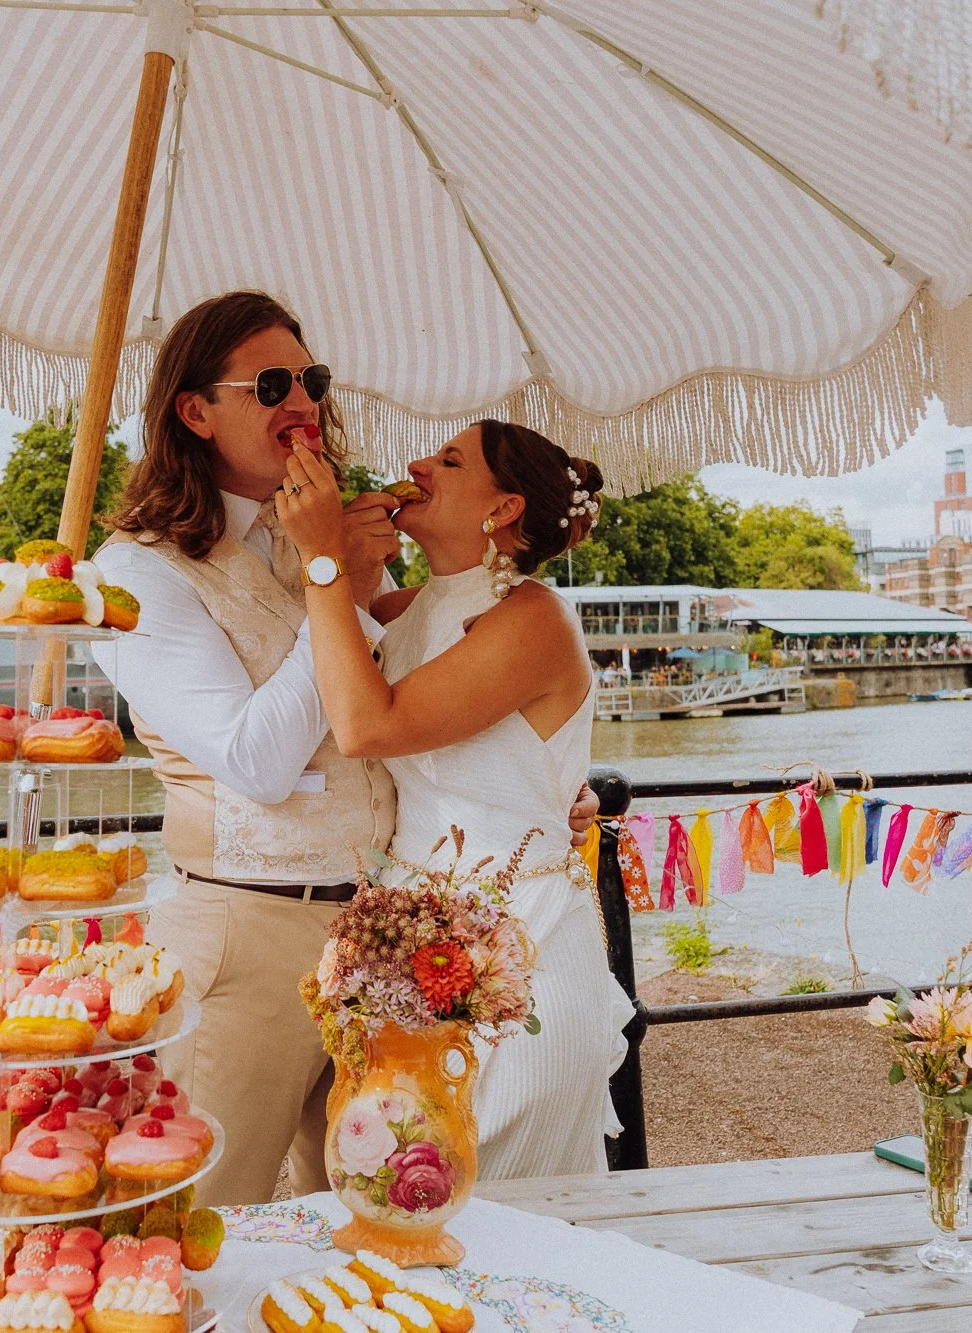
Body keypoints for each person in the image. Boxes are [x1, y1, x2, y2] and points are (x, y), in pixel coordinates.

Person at [92, 291, 595, 1203]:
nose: (305, 403)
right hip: (247, 936)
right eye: (272, 384)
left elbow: (433, 693)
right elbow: (255, 760)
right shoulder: (139, 571)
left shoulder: (335, 536)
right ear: (196, 411)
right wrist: (344, 582)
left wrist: (541, 788)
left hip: (389, 944)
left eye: (310, 380)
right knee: (211, 1215)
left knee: (383, 1220)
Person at [275, 420, 636, 1178]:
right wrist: (358, 575)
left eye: (447, 459)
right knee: (396, 1182)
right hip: (405, 937)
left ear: (502, 510)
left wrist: (323, 559)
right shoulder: (406, 611)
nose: (414, 465)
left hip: (520, 938)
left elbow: (367, 724)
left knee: (499, 1193)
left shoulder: (534, 618)